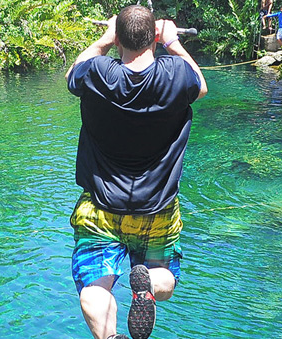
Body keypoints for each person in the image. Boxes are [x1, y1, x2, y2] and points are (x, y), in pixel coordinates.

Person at [65, 5, 207, 339]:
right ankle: (146, 286)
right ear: (153, 40)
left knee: (95, 283)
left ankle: (108, 337)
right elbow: (200, 86)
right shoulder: (173, 73)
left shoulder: (98, 72)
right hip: (158, 211)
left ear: (118, 41)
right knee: (163, 278)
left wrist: (104, 38)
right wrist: (172, 41)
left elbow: (73, 75)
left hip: (100, 209)